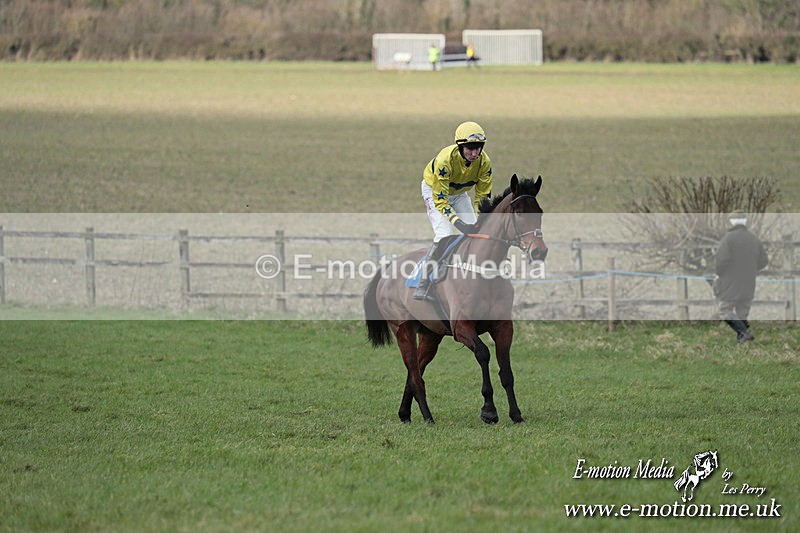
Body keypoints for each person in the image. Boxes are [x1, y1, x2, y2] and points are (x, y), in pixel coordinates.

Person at [413, 121, 493, 301]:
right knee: (444, 235)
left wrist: (481, 219)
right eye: (470, 149)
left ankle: (477, 276)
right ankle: (424, 283)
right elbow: (441, 201)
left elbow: (482, 196)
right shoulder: (444, 161)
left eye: (478, 148)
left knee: (476, 231)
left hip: (459, 194)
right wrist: (458, 223)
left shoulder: (484, 163)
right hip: (436, 192)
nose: (475, 153)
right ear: (460, 147)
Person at [714, 211, 769, 344]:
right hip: (748, 283)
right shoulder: (754, 239)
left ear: (731, 222)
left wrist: (719, 273)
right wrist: (750, 269)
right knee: (742, 313)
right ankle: (742, 343)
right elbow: (764, 261)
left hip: (730, 284)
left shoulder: (728, 239)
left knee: (725, 310)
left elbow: (720, 262)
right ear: (745, 222)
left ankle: (745, 332)